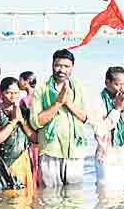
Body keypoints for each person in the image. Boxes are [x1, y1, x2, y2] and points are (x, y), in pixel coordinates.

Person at [31, 49, 90, 187]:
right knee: (50, 198)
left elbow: (86, 117)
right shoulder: (41, 89)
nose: (61, 70)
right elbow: (36, 123)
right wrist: (58, 102)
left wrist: (68, 103)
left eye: (66, 66)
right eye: (58, 65)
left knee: (75, 200)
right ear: (52, 65)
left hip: (75, 151)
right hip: (50, 151)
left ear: (72, 68)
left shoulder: (79, 88)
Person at [0, 77, 36, 195]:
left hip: (22, 161)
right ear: (1, 94)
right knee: (8, 200)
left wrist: (21, 121)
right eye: (9, 93)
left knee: (24, 202)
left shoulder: (24, 110)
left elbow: (35, 139)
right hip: (4, 164)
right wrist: (13, 121)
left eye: (16, 93)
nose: (13, 96)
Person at [90, 66, 124, 187]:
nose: (122, 88)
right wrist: (116, 109)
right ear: (107, 83)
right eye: (118, 84)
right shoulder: (98, 102)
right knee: (107, 199)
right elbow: (99, 130)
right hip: (107, 161)